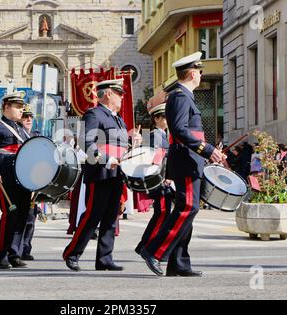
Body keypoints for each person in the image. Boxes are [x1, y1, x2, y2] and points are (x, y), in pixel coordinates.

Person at [139, 52, 225, 277]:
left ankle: (179, 263)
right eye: (199, 70)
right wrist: (206, 149)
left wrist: (209, 150)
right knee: (188, 208)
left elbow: (190, 131)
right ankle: (154, 251)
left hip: (191, 159)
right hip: (186, 160)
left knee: (187, 210)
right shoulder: (180, 96)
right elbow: (179, 130)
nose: (201, 74)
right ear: (193, 73)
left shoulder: (184, 96)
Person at [62, 78, 141, 271]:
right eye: (119, 93)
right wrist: (105, 159)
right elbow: (85, 143)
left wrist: (134, 145)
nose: (122, 97)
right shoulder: (94, 114)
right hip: (100, 171)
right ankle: (72, 253)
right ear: (108, 94)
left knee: (111, 217)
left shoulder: (119, 119)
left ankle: (104, 258)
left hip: (116, 173)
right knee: (92, 215)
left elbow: (121, 147)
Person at [0, 91, 32, 269]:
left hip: (23, 179)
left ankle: (14, 254)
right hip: (5, 178)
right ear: (6, 107)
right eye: (17, 107)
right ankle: (0, 254)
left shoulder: (22, 131)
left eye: (22, 107)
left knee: (22, 217)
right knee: (10, 215)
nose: (21, 110)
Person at [135, 103, 173, 255]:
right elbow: (155, 159)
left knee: (162, 213)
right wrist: (163, 177)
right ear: (156, 119)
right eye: (163, 117)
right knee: (162, 213)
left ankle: (144, 244)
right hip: (159, 181)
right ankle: (146, 246)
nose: (166, 120)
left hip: (163, 179)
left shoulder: (162, 135)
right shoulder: (155, 136)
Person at [18, 104, 40, 261]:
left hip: (33, 181)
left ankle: (26, 248)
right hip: (19, 180)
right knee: (19, 217)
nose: (28, 119)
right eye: (25, 116)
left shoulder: (35, 136)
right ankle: (16, 248)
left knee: (31, 218)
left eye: (31, 117)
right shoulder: (16, 135)